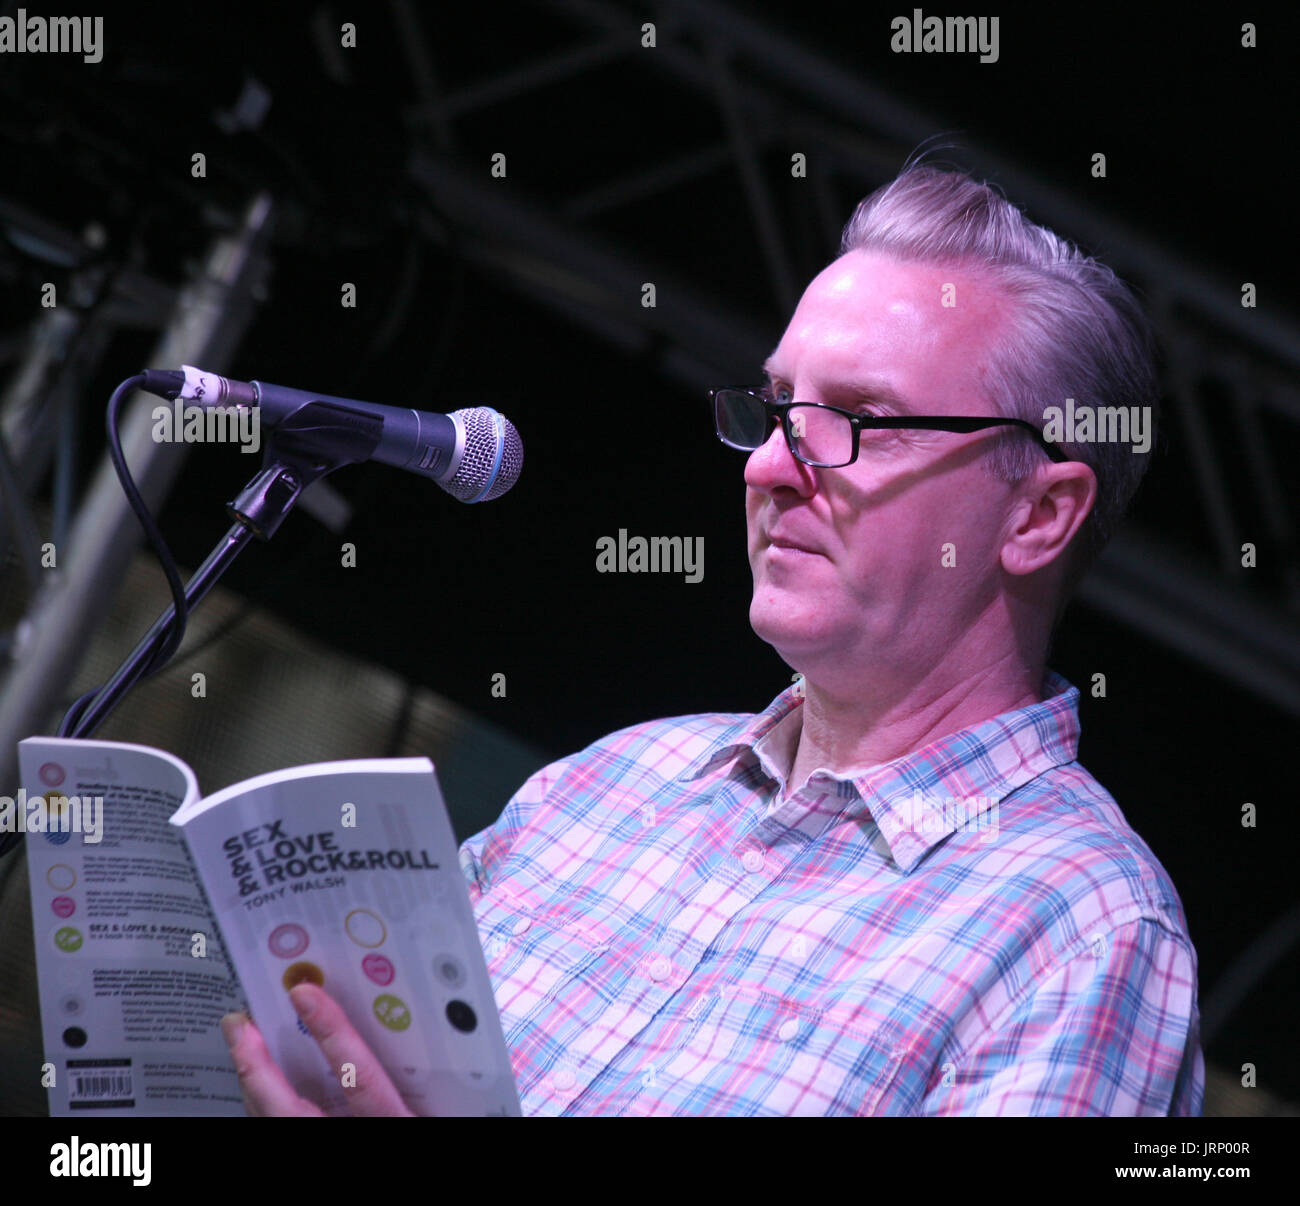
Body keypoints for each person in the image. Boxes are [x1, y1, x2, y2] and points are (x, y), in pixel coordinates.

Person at [221, 163, 1203, 1116]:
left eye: (861, 420)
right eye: (776, 409)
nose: (769, 465)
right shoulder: (601, 791)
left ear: (1037, 517)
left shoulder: (1084, 929)